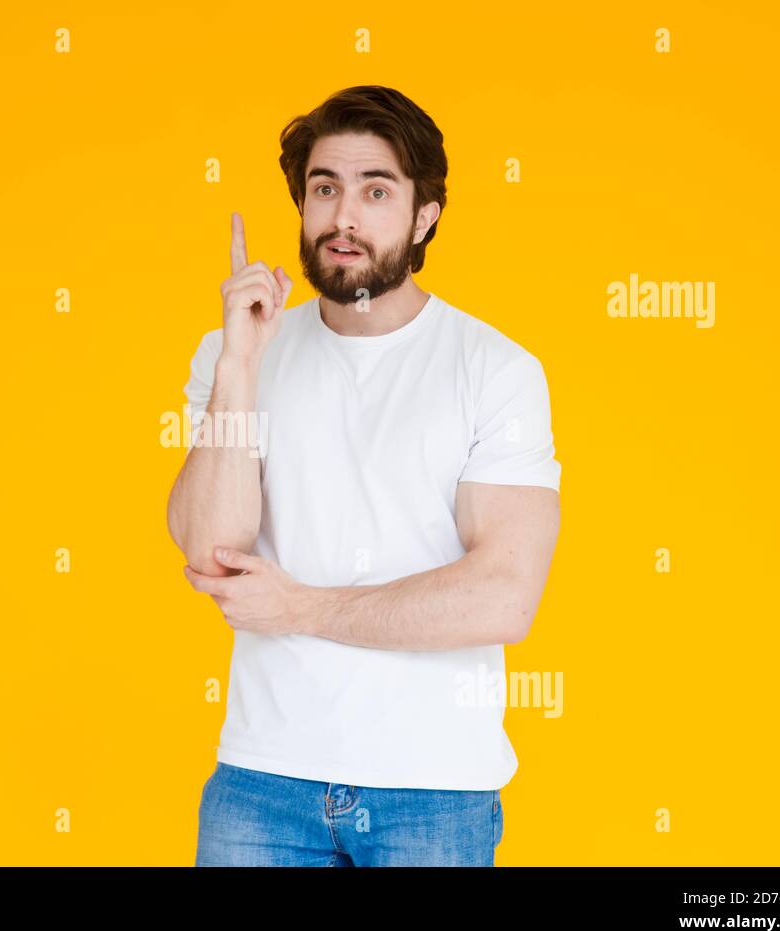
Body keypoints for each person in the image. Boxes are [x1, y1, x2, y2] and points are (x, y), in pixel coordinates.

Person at [166, 85, 561, 866]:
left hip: (433, 790)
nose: (345, 216)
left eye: (376, 191)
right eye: (325, 188)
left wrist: (300, 607)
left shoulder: (496, 370)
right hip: (262, 781)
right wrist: (240, 367)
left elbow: (503, 597)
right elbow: (213, 551)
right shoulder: (234, 356)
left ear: (425, 216)